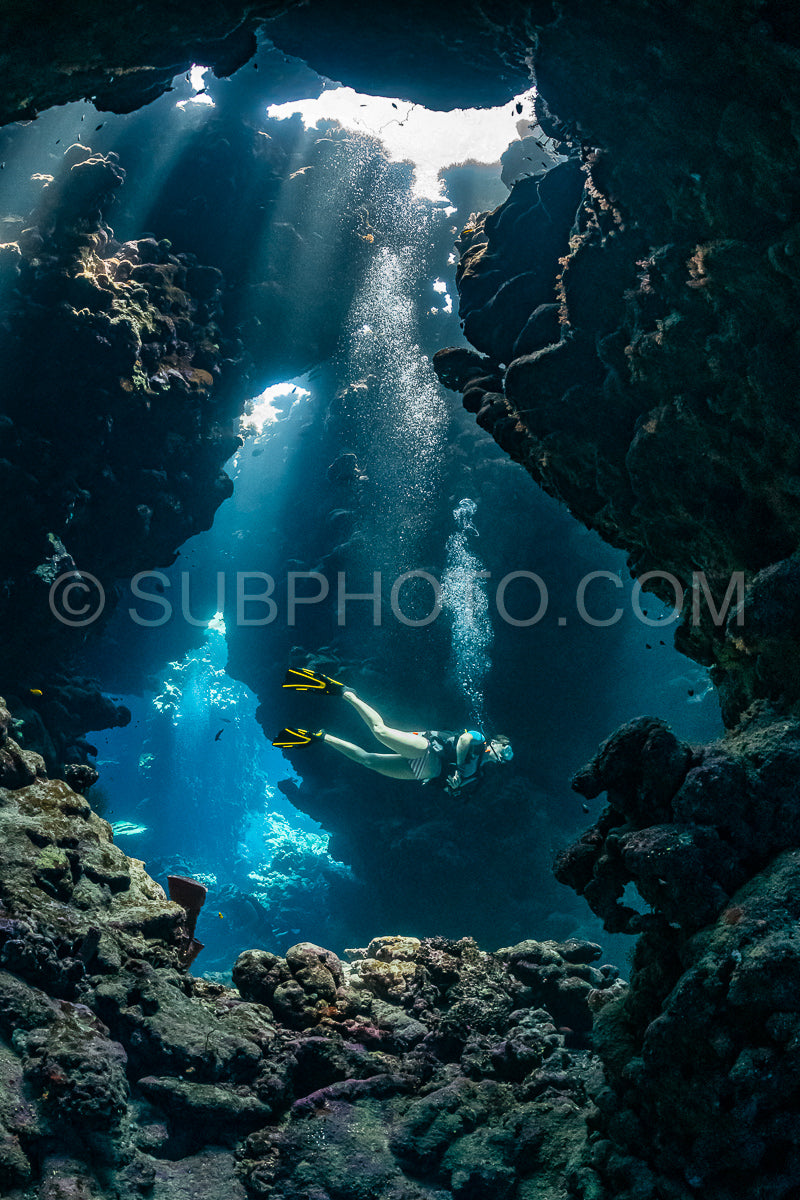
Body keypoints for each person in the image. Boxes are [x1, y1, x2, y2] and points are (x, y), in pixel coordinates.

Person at [273, 667, 513, 796]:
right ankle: (345, 692)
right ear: (497, 743)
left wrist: (452, 786)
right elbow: (463, 740)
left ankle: (321, 736)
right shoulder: (480, 740)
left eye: (508, 755)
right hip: (429, 747)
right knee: (381, 732)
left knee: (367, 761)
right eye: (507, 748)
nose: (507, 753)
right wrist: (460, 770)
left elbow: (453, 789)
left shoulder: (478, 776)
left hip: (423, 772)